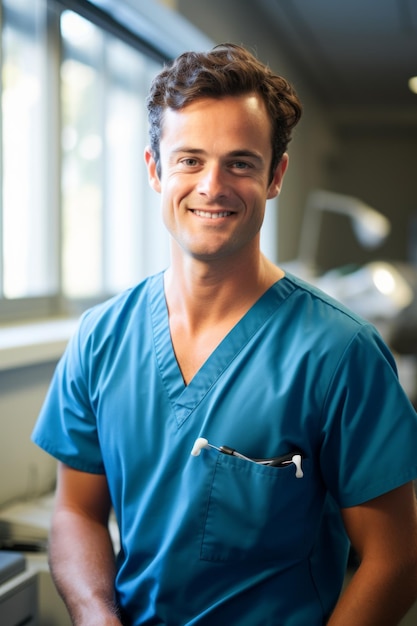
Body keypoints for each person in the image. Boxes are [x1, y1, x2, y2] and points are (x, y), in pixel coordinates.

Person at [32, 43, 417, 626]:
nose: (212, 185)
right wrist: (95, 614)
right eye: (189, 159)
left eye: (240, 162)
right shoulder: (100, 338)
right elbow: (77, 513)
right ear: (155, 169)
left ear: (274, 176)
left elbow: (395, 559)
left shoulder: (341, 354)